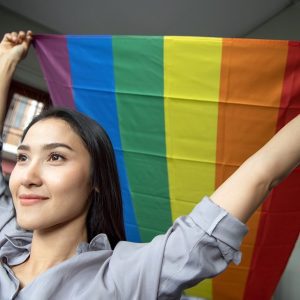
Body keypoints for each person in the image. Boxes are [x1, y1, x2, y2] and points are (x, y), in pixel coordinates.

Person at [0, 31, 299, 300]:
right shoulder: (5, 242)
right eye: (24, 157)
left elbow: (261, 173)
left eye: (55, 157)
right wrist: (5, 64)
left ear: (97, 179)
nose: (27, 176)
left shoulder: (126, 278)